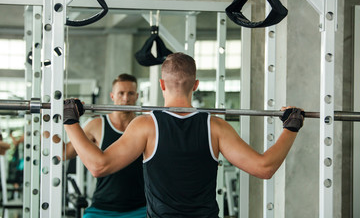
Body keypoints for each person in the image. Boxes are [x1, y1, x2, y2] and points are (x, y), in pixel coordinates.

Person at [64, 52, 305, 217]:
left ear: (162, 84)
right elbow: (264, 168)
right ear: (196, 84)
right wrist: (291, 127)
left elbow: (98, 166)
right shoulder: (216, 127)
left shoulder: (146, 126)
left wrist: (70, 121)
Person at [64, 74, 146, 218]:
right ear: (112, 96)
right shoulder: (97, 125)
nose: (126, 98)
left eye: (130, 93)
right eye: (121, 93)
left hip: (140, 208)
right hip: (102, 208)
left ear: (137, 96)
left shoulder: (145, 127)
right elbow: (64, 153)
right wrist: (45, 121)